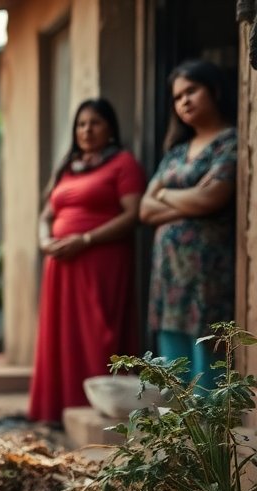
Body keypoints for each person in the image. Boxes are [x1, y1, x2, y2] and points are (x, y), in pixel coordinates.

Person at [27, 99, 146, 424]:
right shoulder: (68, 167)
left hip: (101, 261)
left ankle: (101, 411)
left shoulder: (123, 163)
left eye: (95, 123)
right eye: (81, 124)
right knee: (62, 337)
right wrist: (43, 239)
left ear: (110, 128)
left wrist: (86, 239)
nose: (86, 130)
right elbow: (47, 213)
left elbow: (133, 214)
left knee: (99, 334)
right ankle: (58, 409)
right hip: (62, 265)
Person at [139, 59, 237, 389]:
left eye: (192, 91)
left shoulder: (230, 142)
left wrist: (165, 194)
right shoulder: (176, 152)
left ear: (216, 90)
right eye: (178, 96)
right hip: (169, 276)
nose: (184, 101)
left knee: (207, 350)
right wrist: (186, 198)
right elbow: (145, 210)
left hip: (207, 273)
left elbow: (212, 199)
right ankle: (180, 438)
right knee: (173, 363)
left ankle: (209, 437)